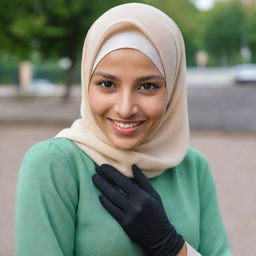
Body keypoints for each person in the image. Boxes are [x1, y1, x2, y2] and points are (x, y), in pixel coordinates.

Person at [15, 3, 231, 256]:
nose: (125, 108)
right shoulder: (55, 164)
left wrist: (172, 247)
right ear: (87, 83)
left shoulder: (191, 167)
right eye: (107, 83)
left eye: (148, 86)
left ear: (172, 89)